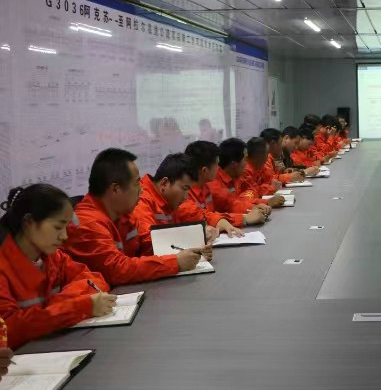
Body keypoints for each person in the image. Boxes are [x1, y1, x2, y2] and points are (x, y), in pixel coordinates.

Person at [65, 149, 211, 286]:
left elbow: (148, 246)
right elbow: (117, 270)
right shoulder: (87, 223)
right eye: (136, 183)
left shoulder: (124, 213)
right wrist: (175, 262)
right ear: (115, 189)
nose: (141, 190)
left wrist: (193, 249)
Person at [0, 184, 115, 348]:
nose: (64, 236)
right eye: (58, 227)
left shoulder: (53, 257)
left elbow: (94, 280)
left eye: (66, 227)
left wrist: (58, 307)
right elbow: (8, 331)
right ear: (29, 222)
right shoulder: (4, 267)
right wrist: (77, 307)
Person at [129, 153, 223, 245]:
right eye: (185, 188)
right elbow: (150, 242)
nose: (186, 197)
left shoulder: (170, 199)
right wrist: (195, 236)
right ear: (164, 183)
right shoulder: (141, 201)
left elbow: (195, 214)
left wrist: (216, 221)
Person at [178, 141, 260, 236]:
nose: (219, 168)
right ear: (204, 171)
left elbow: (216, 212)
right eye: (217, 165)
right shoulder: (184, 194)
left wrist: (255, 206)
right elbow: (201, 216)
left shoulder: (205, 186)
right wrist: (244, 218)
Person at [208, 138, 271, 222]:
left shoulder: (235, 175)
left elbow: (253, 190)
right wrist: (257, 205)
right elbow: (232, 205)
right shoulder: (215, 184)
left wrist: (257, 204)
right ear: (234, 164)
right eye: (244, 160)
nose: (246, 163)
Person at [240, 137, 286, 206]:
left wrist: (270, 185)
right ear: (259, 156)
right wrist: (271, 189)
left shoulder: (259, 165)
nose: (268, 158)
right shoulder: (245, 170)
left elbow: (271, 179)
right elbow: (252, 193)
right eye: (267, 154)